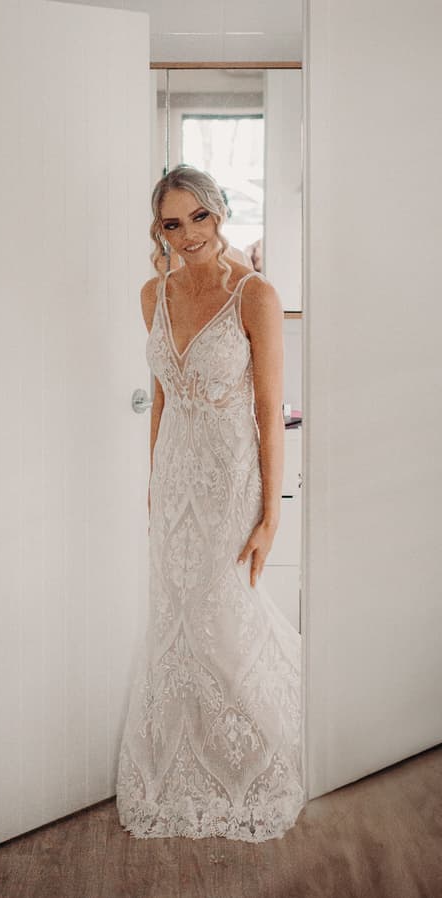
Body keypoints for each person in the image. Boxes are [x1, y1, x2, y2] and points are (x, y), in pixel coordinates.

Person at [115, 164, 306, 841]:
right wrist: (150, 485)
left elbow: (268, 408)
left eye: (199, 216)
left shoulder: (256, 294)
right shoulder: (152, 295)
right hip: (173, 483)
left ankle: (253, 754)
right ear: (159, 230)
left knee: (227, 618)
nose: (189, 234)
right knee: (179, 619)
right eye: (173, 222)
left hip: (230, 481)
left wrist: (271, 516)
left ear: (219, 214)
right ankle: (183, 754)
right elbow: (161, 399)